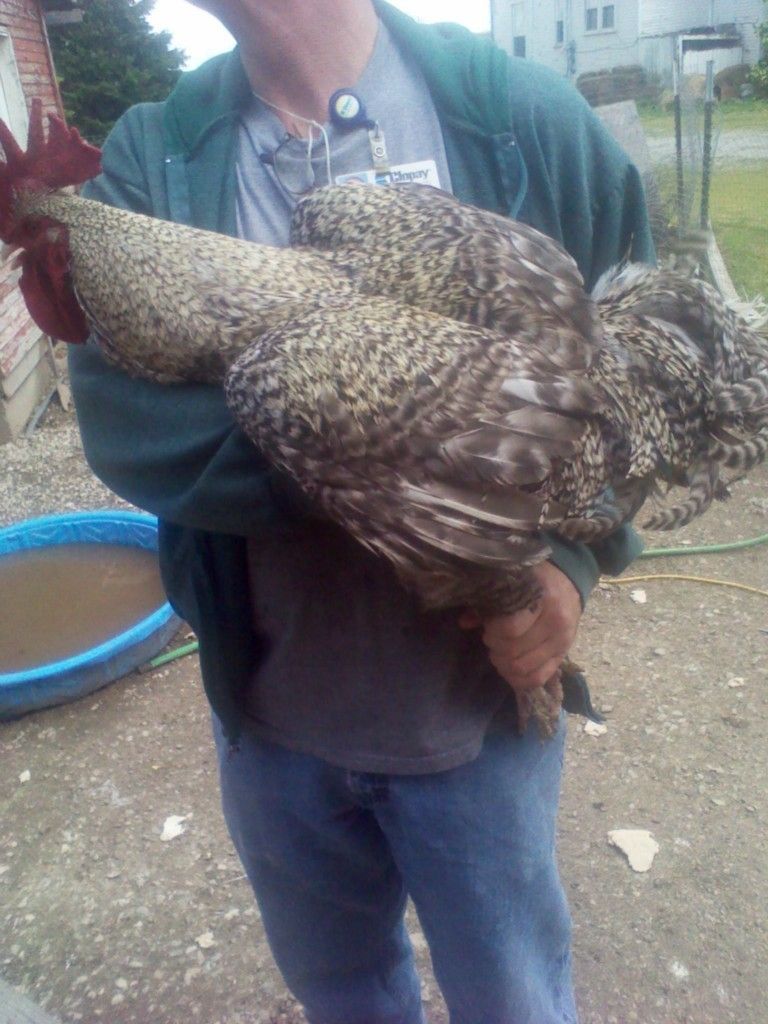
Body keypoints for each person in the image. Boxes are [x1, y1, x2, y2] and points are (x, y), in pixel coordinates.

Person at [68, 1, 654, 1021]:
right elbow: (124, 421)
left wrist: (570, 562)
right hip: (272, 717)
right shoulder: (156, 150)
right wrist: (368, 442)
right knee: (345, 995)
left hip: (475, 713)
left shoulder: (512, 113)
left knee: (513, 994)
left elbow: (635, 366)